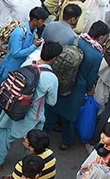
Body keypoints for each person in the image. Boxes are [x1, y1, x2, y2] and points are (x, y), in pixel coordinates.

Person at [0, 41, 61, 171]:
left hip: (13, 108)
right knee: (32, 142)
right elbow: (52, 102)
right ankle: (26, 164)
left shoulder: (27, 64)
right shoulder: (52, 79)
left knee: (4, 136)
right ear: (54, 58)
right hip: (33, 115)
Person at [44, 21, 108, 149]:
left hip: (61, 79)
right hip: (78, 88)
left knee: (53, 106)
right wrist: (90, 90)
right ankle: (66, 142)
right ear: (101, 37)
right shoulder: (96, 55)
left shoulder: (74, 40)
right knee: (71, 116)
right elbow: (91, 77)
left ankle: (45, 131)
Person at [0, 7, 49, 119]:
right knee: (2, 90)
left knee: (7, 89)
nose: (43, 23)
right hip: (10, 67)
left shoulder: (33, 30)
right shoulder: (19, 32)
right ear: (35, 20)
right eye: (42, 20)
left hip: (18, 67)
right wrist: (33, 46)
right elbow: (15, 53)